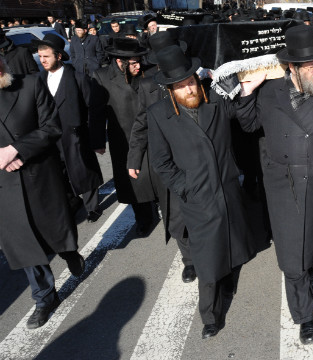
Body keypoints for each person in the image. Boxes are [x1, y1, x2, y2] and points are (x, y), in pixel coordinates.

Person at [237, 25, 313, 345]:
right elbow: (248, 124)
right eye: (310, 65)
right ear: (291, 67)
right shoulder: (269, 91)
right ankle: (305, 316)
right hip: (281, 184)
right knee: (292, 258)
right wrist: (248, 90)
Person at [147, 45, 257, 339]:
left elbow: (244, 117)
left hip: (229, 191)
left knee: (234, 245)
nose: (189, 89)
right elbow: (160, 160)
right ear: (171, 90)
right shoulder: (159, 114)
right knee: (207, 261)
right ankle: (210, 315)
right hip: (197, 199)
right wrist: (185, 188)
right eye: (181, 86)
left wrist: (245, 89)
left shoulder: (216, 101)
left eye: (191, 82)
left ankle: (230, 280)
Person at [0, 53, 85, 330]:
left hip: (40, 176)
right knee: (24, 244)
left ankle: (70, 252)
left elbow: (51, 127)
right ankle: (44, 298)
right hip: (5, 186)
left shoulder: (30, 84)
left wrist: (16, 149)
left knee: (55, 230)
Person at [127, 32, 194, 282]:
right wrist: (134, 158)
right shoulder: (147, 86)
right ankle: (189, 261)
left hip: (195, 155)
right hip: (167, 160)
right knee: (176, 215)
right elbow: (141, 123)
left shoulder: (194, 78)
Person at [33, 34, 104, 222]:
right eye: (40, 57)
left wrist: (95, 138)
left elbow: (93, 109)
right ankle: (72, 202)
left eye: (46, 56)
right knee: (59, 173)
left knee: (84, 171)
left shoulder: (77, 78)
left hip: (75, 135)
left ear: (58, 56)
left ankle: (92, 206)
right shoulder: (39, 79)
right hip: (51, 137)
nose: (42, 61)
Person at [90, 38, 156, 236]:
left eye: (139, 61)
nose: (138, 66)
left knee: (155, 174)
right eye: (133, 63)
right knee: (132, 183)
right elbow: (96, 111)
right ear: (120, 62)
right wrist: (98, 141)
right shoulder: (101, 77)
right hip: (123, 139)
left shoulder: (148, 71)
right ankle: (143, 218)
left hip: (151, 134)